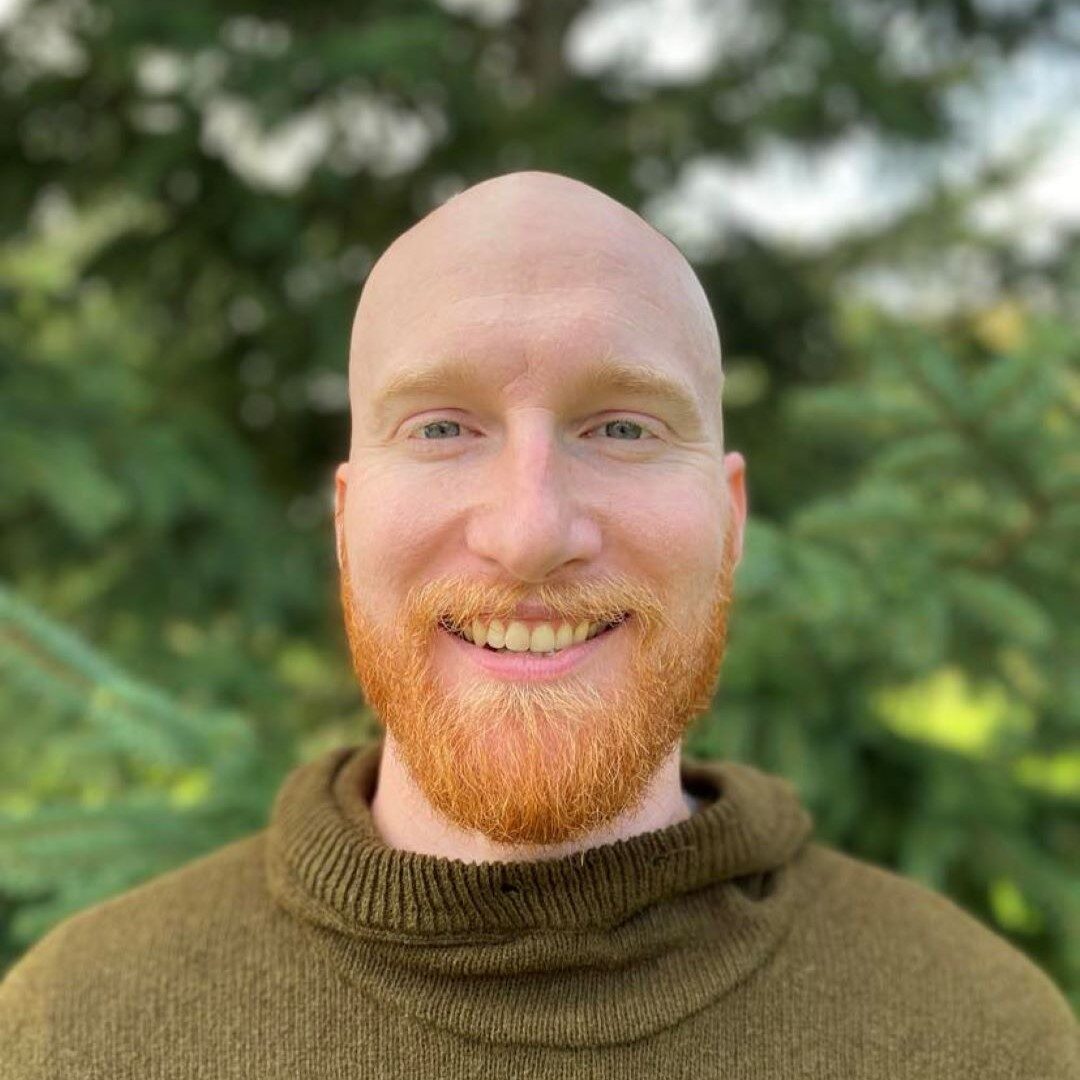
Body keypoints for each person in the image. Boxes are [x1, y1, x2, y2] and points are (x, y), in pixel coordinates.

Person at [1, 171, 1076, 1078]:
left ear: (731, 518)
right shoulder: (70, 1035)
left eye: (621, 425)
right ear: (344, 518)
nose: (528, 531)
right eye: (440, 426)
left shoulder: (985, 1039)